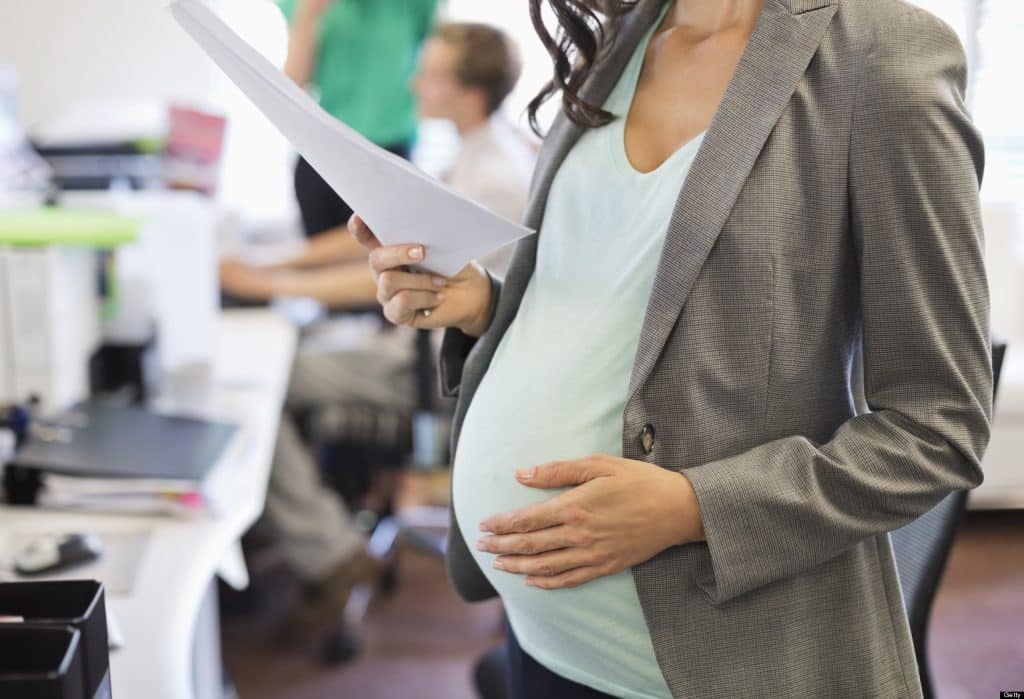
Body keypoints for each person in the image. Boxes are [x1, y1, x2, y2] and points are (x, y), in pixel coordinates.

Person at [353, 0, 992, 697]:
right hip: (540, 637)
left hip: (707, 663)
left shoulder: (881, 55)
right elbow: (620, 294)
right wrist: (484, 302)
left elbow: (939, 425)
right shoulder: (621, 38)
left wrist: (694, 506)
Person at [226, 22, 533, 643]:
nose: (414, 81)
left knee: (256, 385)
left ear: (467, 92)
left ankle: (330, 553)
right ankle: (315, 537)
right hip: (406, 350)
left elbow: (394, 275)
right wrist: (278, 263)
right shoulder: (474, 151)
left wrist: (266, 284)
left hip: (429, 367)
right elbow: (381, 237)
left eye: (432, 71)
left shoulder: (493, 176)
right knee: (286, 354)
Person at [279, 0, 438, 237]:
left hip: (391, 154)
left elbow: (441, 60)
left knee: (389, 258)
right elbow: (294, 82)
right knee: (318, 261)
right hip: (324, 150)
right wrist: (309, 12)